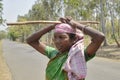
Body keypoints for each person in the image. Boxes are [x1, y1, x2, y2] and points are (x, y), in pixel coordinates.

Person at [26, 17, 105, 80]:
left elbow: (100, 37)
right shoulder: (54, 53)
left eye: (61, 37)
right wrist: (51, 27)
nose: (57, 41)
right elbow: (30, 41)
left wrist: (77, 25)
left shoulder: (80, 54)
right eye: (55, 37)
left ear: (74, 39)